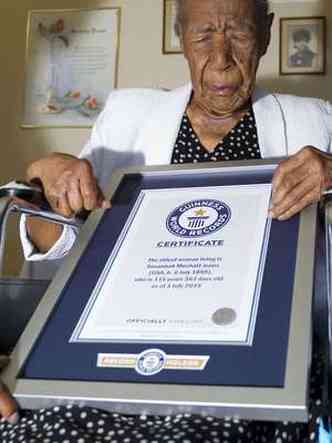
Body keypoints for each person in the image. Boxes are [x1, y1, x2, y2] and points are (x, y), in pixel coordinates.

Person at [2, 0, 332, 441]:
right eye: (202, 36)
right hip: (120, 359)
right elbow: (63, 244)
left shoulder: (315, 122)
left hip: (252, 366)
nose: (220, 58)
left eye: (238, 34)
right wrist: (46, 176)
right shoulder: (127, 117)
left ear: (266, 33)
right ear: (180, 36)